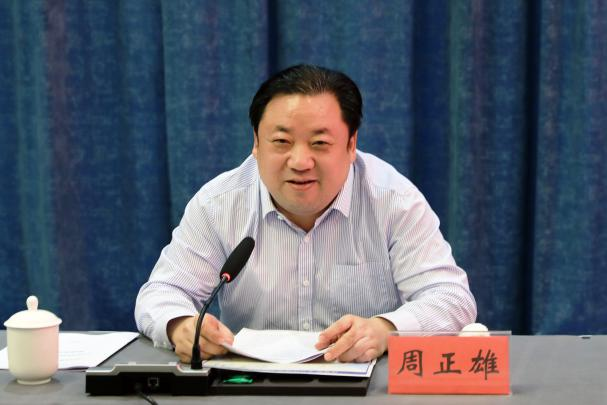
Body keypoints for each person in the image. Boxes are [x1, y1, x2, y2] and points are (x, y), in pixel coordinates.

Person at [135, 64, 477, 364]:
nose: (300, 162)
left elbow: (451, 298)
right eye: (281, 142)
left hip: (366, 387)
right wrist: (180, 325)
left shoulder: (393, 201)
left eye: (319, 143)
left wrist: (386, 329)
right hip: (249, 387)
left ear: (351, 144)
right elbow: (163, 292)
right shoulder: (219, 204)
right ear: (256, 143)